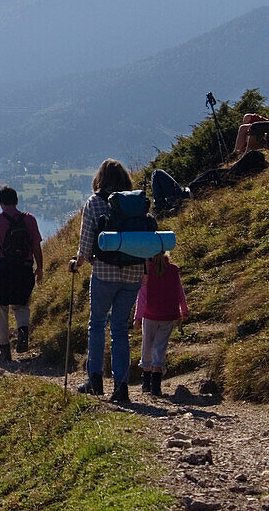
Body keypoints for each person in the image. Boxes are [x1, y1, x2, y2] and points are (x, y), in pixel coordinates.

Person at [69, 159, 143, 404]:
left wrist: (78, 262)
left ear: (100, 177)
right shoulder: (135, 202)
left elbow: (86, 242)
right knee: (120, 328)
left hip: (104, 272)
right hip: (133, 273)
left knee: (97, 323)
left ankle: (95, 379)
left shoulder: (95, 201)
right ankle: (121, 387)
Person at [0, 186, 43, 362]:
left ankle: (4, 350)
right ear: (16, 200)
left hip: (4, 268)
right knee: (22, 303)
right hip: (24, 269)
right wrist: (40, 267)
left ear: (0, 202)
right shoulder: (30, 219)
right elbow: (36, 246)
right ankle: (23, 331)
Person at [134, 252, 189, 397]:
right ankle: (156, 386)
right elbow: (179, 292)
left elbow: (142, 296)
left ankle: (146, 383)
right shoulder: (173, 270)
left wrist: (137, 318)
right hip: (168, 315)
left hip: (150, 315)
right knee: (159, 348)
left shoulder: (147, 271)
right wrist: (184, 310)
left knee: (147, 345)